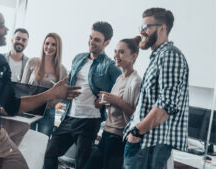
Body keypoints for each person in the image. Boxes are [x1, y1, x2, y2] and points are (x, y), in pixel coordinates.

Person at [0, 7, 80, 169]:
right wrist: (52, 93)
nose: (6, 30)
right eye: (1, 25)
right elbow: (13, 107)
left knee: (21, 129)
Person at [44, 21, 122, 169]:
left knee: (81, 163)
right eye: (91, 37)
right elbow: (69, 84)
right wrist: (64, 94)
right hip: (69, 117)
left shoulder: (109, 66)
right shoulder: (78, 58)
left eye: (97, 40)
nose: (91, 42)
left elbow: (121, 88)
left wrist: (105, 100)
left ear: (107, 42)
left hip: (89, 121)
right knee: (49, 153)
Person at [123, 8, 189, 169]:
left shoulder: (170, 55)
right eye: (141, 27)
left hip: (149, 144)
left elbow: (166, 105)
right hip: (143, 143)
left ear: (162, 28)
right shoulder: (158, 57)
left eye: (146, 27)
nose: (141, 31)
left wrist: (137, 132)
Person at [83, 36, 142, 169]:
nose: (116, 55)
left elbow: (137, 116)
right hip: (107, 134)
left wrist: (116, 100)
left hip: (118, 139)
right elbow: (115, 105)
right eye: (115, 51)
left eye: (121, 52)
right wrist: (103, 102)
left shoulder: (136, 82)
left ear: (133, 56)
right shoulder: (120, 78)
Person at [21, 32, 67, 136]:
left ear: (58, 47)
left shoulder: (62, 70)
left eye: (53, 44)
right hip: (29, 110)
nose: (49, 47)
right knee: (26, 143)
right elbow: (23, 86)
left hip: (48, 111)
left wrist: (55, 101)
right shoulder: (32, 62)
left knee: (42, 145)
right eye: (47, 43)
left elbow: (62, 93)